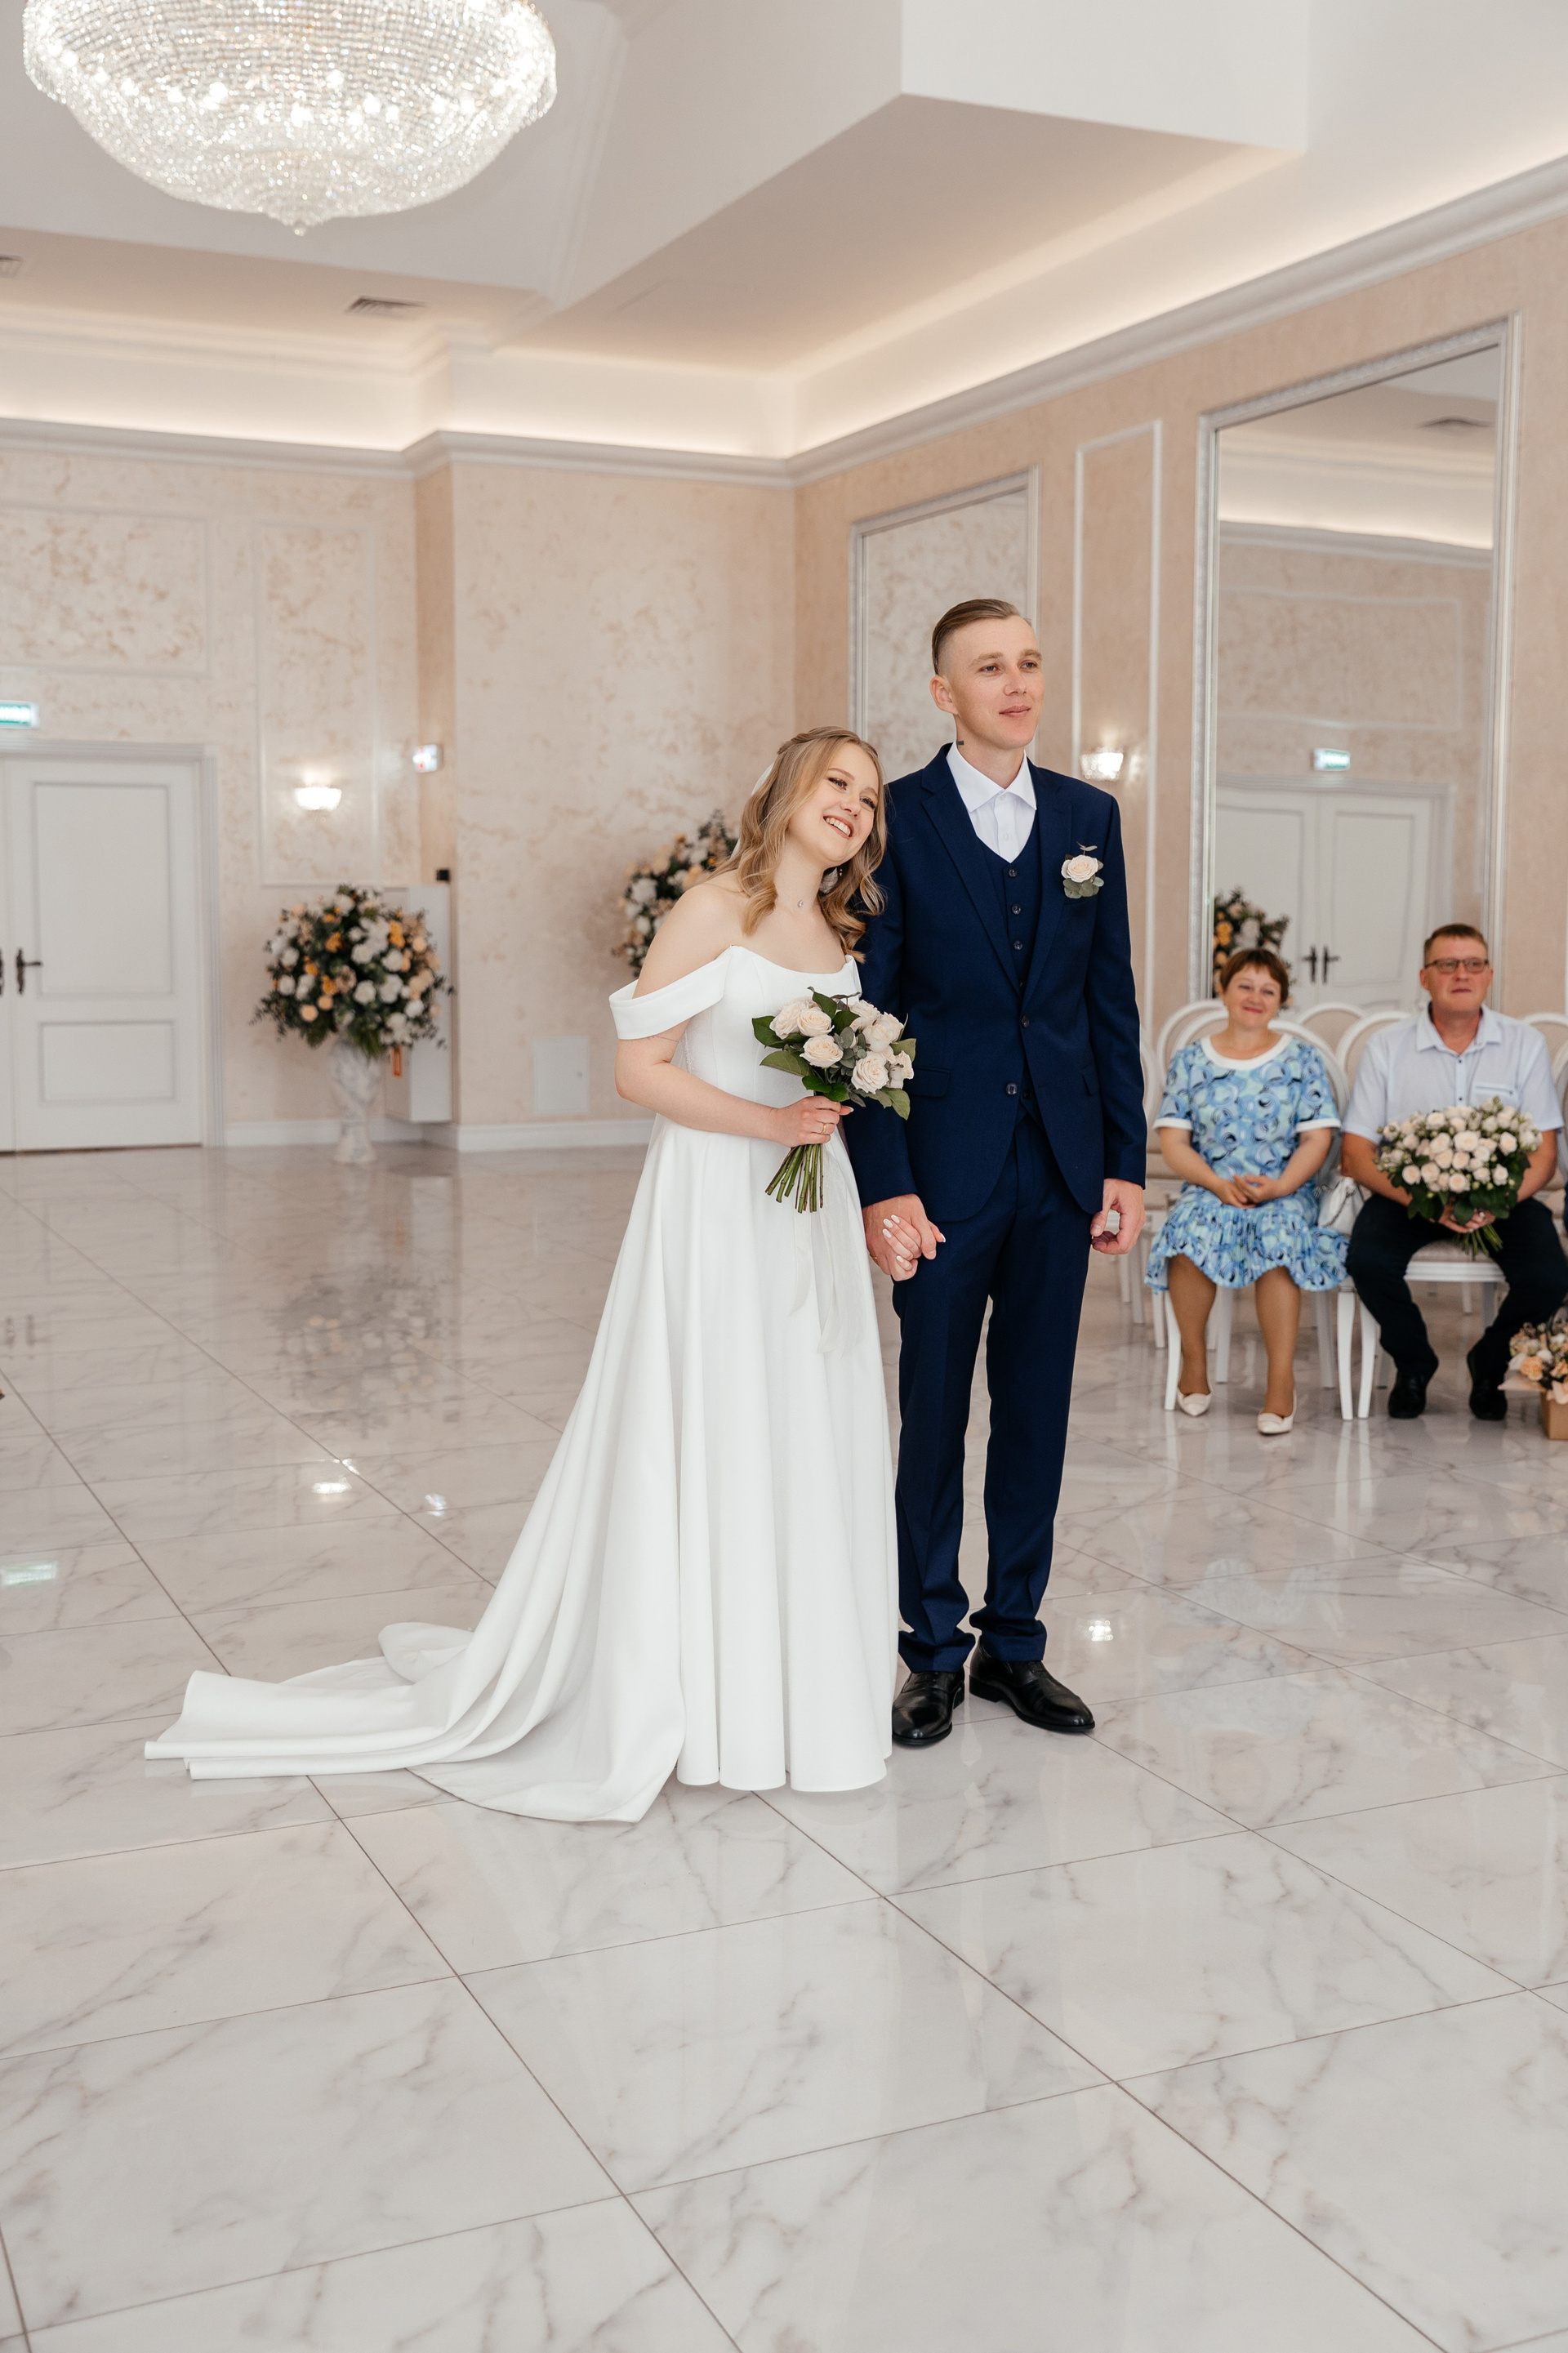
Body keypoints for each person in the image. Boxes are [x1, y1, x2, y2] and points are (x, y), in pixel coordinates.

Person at [149, 728, 902, 1820]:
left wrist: (820, 1123)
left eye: (869, 799)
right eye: (838, 783)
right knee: (723, 1414)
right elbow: (638, 1070)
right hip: (717, 1198)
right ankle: (706, 1696)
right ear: (786, 790)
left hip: (807, 1200)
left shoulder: (835, 930)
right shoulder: (710, 909)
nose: (854, 807)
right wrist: (771, 1123)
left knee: (803, 1416)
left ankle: (792, 1693)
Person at [844, 596, 1146, 1753]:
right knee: (933, 1413)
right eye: (989, 667)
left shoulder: (1086, 815)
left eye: (1028, 662)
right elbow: (870, 1018)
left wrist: (1122, 1161)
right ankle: (931, 1652)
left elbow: (1108, 999)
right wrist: (885, 1182)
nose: (1016, 683)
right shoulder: (897, 820)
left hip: (1062, 1168)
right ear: (944, 693)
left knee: (1035, 1410)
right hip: (941, 1171)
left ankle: (1015, 1641)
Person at [1342, 921, 1567, 1419]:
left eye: (1473, 964)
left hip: (1502, 1197)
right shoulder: (1387, 1046)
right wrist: (1427, 1203)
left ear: (1489, 975)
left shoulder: (1525, 1044)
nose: (1461, 974)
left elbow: (1545, 1154)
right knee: (1368, 1262)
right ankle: (1414, 1363)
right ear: (1425, 977)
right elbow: (1356, 1154)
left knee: (1550, 1276)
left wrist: (1498, 1203)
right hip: (1408, 1195)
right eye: (1447, 964)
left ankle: (1490, 1363)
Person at [1147, 947, 1347, 1433]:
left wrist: (1280, 1186)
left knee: (1278, 1236)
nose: (1255, 997)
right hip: (1211, 1185)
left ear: (1281, 1000)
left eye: (1268, 990)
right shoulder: (1191, 1060)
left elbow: (1317, 1139)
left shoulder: (1302, 1059)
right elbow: (1173, 1142)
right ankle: (1194, 1363)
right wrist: (1216, 1183)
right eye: (1245, 986)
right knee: (1187, 1232)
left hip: (1285, 1187)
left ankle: (1280, 1381)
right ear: (1224, 989)